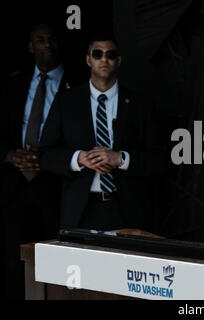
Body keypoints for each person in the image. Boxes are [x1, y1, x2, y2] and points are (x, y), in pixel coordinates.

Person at [39, 33, 164, 232]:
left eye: (110, 54)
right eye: (97, 54)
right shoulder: (67, 102)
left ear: (119, 60)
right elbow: (44, 154)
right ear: (88, 59)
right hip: (81, 207)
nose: (104, 59)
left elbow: (159, 159)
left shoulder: (140, 105)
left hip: (126, 208)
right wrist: (78, 158)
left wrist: (121, 159)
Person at [0, 22, 76, 300]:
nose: (47, 45)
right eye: (40, 40)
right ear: (30, 46)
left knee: (55, 259)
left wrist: (45, 160)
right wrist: (10, 155)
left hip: (55, 185)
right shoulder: (14, 83)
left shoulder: (77, 83)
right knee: (14, 258)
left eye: (52, 40)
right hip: (15, 183)